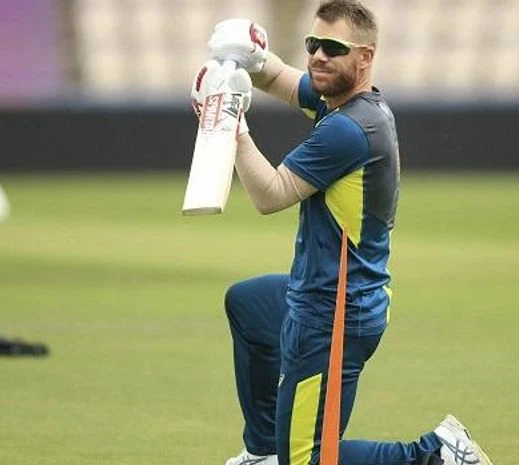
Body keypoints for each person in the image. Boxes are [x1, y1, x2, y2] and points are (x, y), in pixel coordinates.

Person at [191, 2, 495, 465]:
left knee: (310, 458)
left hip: (333, 318)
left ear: (365, 57)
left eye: (333, 48)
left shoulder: (350, 130)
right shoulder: (345, 100)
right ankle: (262, 452)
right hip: (323, 295)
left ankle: (437, 454)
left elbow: (269, 195)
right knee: (248, 306)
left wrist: (230, 118)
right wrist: (250, 55)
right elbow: (279, 79)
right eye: (313, 45)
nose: (317, 57)